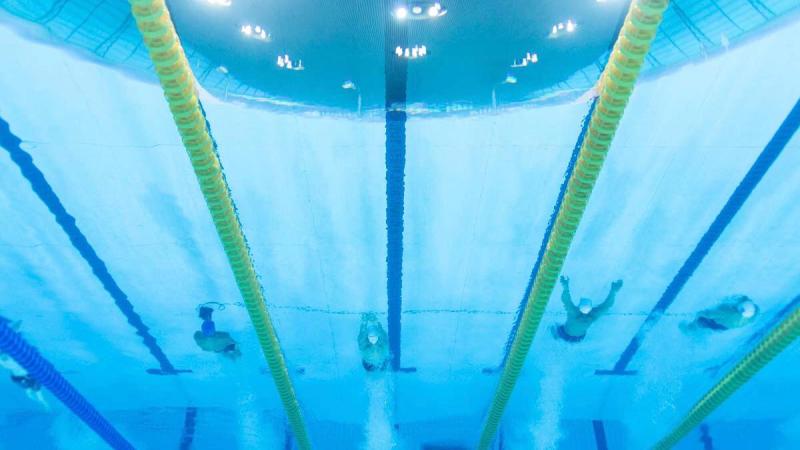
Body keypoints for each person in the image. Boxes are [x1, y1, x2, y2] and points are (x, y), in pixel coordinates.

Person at [554, 276, 623, 342]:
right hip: (580, 338)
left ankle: (556, 336)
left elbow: (566, 300)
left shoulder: (574, 313)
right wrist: (613, 291)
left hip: (565, 334)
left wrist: (565, 287)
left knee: (554, 327)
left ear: (579, 307)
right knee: (603, 308)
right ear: (590, 308)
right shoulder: (592, 316)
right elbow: (607, 305)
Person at [0, 321, 49, 410]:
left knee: (30, 390)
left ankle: (43, 403)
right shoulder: (8, 361)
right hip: (19, 375)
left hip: (18, 375)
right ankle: (43, 404)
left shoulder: (8, 361)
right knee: (33, 391)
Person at [681, 295, 759, 333]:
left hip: (718, 324)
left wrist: (698, 313)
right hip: (727, 327)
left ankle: (689, 329)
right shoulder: (754, 312)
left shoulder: (728, 311)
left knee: (700, 321)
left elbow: (707, 314)